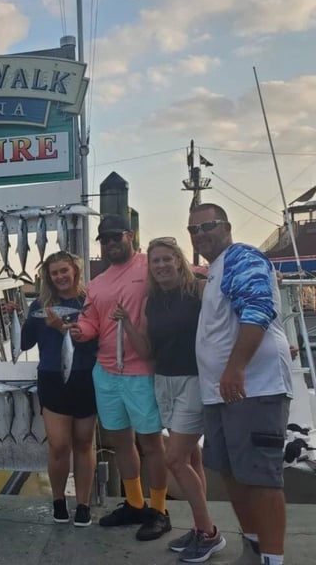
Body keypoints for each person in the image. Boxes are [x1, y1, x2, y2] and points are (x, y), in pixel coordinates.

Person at [188, 203, 293, 565]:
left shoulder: (242, 257)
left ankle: (273, 559)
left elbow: (259, 309)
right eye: (194, 230)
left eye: (208, 226)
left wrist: (235, 367)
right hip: (222, 394)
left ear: (227, 226)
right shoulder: (215, 270)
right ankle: (253, 545)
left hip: (254, 389)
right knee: (232, 472)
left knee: (261, 478)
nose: (200, 235)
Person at [113, 237, 226, 562]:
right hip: (164, 381)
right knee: (191, 458)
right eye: (155, 261)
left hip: (194, 380)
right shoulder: (152, 301)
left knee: (173, 459)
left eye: (166, 259)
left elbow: (228, 319)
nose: (161, 265)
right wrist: (127, 324)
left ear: (179, 261)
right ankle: (198, 526)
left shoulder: (200, 290)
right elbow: (146, 350)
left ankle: (209, 533)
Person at [75, 215, 171, 541]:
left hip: (141, 372)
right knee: (120, 442)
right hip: (105, 373)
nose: (112, 243)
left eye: (117, 236)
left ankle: (159, 510)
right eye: (105, 239)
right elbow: (92, 324)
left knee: (151, 444)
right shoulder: (96, 283)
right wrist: (78, 331)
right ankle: (134, 503)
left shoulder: (149, 266)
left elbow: (189, 279)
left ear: (130, 236)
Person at [6, 251, 98, 526]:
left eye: (64, 271)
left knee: (84, 443)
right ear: (48, 276)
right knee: (58, 446)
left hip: (85, 378)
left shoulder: (90, 302)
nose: (59, 277)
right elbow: (23, 344)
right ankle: (59, 500)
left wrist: (64, 331)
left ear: (75, 272)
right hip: (52, 379)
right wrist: (18, 315)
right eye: (54, 272)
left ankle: (83, 504)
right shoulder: (40, 306)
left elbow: (98, 341)